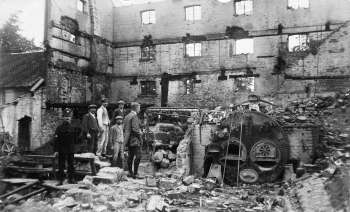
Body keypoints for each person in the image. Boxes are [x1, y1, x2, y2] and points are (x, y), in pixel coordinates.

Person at [54, 108, 76, 185]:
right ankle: (60, 180)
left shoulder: (74, 128)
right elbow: (56, 140)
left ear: (71, 118)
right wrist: (56, 150)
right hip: (61, 149)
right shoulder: (59, 128)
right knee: (61, 165)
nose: (67, 118)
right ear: (63, 118)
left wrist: (75, 148)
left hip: (70, 149)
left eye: (69, 117)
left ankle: (71, 178)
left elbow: (76, 140)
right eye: (66, 117)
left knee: (71, 165)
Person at [124, 102, 142, 178]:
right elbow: (135, 129)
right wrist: (140, 134)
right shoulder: (134, 116)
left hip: (128, 139)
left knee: (130, 156)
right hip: (135, 139)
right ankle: (135, 173)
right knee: (138, 156)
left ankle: (130, 172)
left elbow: (125, 128)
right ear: (136, 108)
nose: (140, 109)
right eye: (139, 108)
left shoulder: (127, 116)